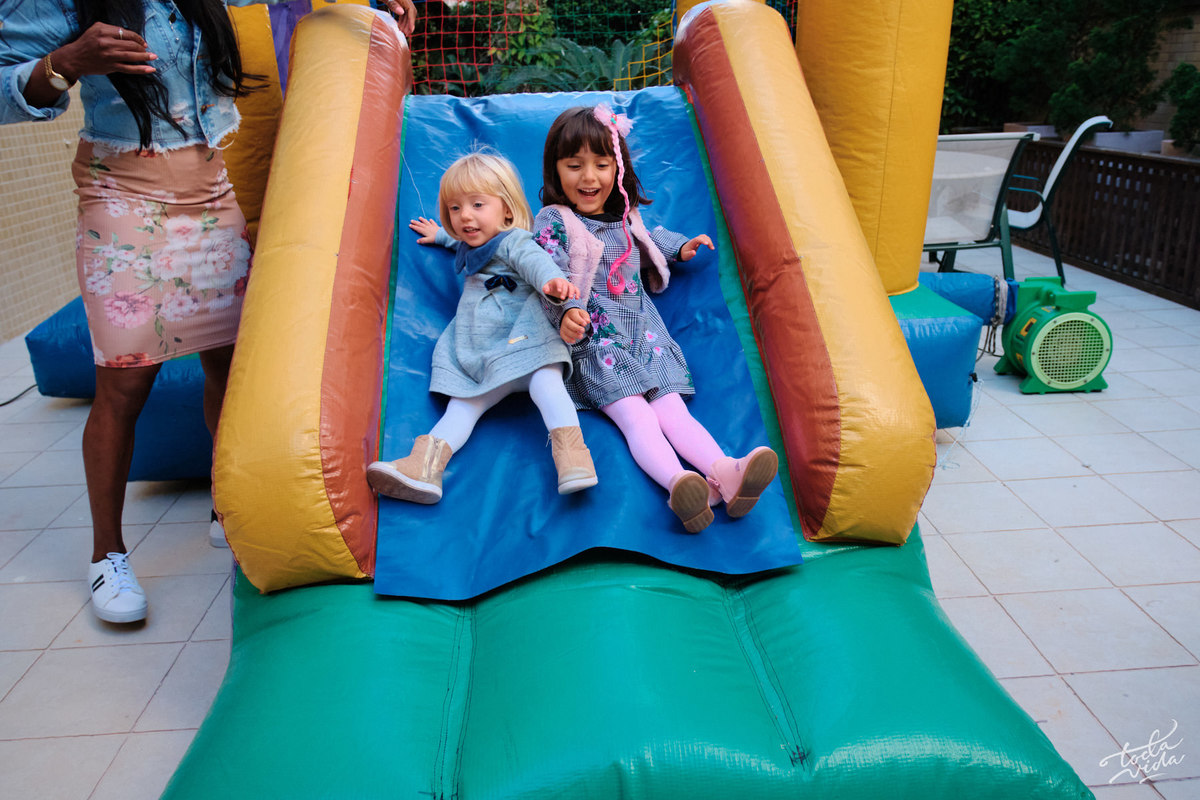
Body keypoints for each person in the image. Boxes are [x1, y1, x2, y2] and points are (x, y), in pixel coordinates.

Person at [0, 0, 416, 624]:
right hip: (123, 192)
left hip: (210, 190)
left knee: (230, 362)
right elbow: (9, 86)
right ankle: (106, 555)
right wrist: (65, 63)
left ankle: (227, 504)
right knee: (127, 377)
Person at [533, 104, 778, 534]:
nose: (589, 177)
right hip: (597, 341)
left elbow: (651, 239)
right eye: (574, 165)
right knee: (639, 418)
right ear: (556, 170)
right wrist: (566, 311)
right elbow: (544, 269)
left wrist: (681, 248)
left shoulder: (625, 215)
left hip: (644, 335)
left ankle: (726, 471)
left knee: (674, 413)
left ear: (617, 168)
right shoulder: (557, 219)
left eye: (601, 164)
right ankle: (680, 483)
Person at [367, 150, 598, 503]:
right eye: (456, 209)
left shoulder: (513, 240)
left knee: (547, 383)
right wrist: (440, 234)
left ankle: (574, 460)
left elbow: (535, 261)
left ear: (506, 209)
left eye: (477, 205)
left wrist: (552, 281)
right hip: (487, 352)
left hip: (526, 338)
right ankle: (425, 469)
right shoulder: (468, 244)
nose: (465, 217)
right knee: (463, 404)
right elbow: (459, 242)